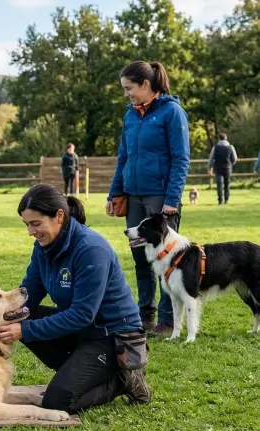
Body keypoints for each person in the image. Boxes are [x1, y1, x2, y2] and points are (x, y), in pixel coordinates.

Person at [0, 184, 151, 414]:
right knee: (22, 316)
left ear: (59, 216)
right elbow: (28, 295)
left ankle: (122, 379)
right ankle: (82, 371)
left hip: (111, 337)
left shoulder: (91, 250)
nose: (31, 231)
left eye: (36, 224)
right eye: (27, 224)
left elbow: (82, 314)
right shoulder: (43, 247)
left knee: (57, 401)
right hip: (82, 331)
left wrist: (24, 331)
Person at [106, 61, 190, 336]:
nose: (126, 94)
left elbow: (180, 159)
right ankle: (145, 317)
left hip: (161, 197)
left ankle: (167, 322)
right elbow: (123, 157)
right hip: (134, 194)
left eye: (129, 88)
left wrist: (172, 199)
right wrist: (115, 192)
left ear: (145, 85)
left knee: (168, 260)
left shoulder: (172, 112)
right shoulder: (130, 115)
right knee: (140, 257)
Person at [208, 134, 237, 205]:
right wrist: (231, 164)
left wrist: (210, 168)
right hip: (228, 168)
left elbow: (211, 159)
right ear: (226, 138)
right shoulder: (231, 147)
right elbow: (235, 159)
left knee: (219, 184)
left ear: (219, 139)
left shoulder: (215, 147)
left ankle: (220, 200)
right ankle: (226, 200)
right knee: (227, 184)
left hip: (218, 168)